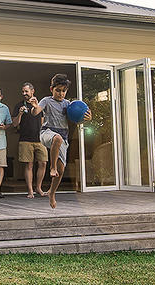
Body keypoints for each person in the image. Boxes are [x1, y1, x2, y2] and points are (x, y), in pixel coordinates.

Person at [29, 74, 91, 209]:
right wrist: (34, 106)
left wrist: (86, 118)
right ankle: (52, 167)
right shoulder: (46, 100)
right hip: (47, 132)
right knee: (56, 139)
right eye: (58, 90)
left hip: (63, 137)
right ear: (52, 89)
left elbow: (77, 119)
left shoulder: (68, 104)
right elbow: (36, 112)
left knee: (61, 171)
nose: (61, 93)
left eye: (63, 91)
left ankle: (52, 193)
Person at [12, 82, 48, 199]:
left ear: (32, 91)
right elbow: (14, 124)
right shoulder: (18, 106)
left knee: (43, 163)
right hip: (25, 139)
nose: (24, 94)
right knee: (29, 165)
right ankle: (30, 190)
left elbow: (43, 122)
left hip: (40, 140)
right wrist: (20, 114)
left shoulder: (40, 105)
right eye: (23, 91)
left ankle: (38, 188)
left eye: (26, 91)